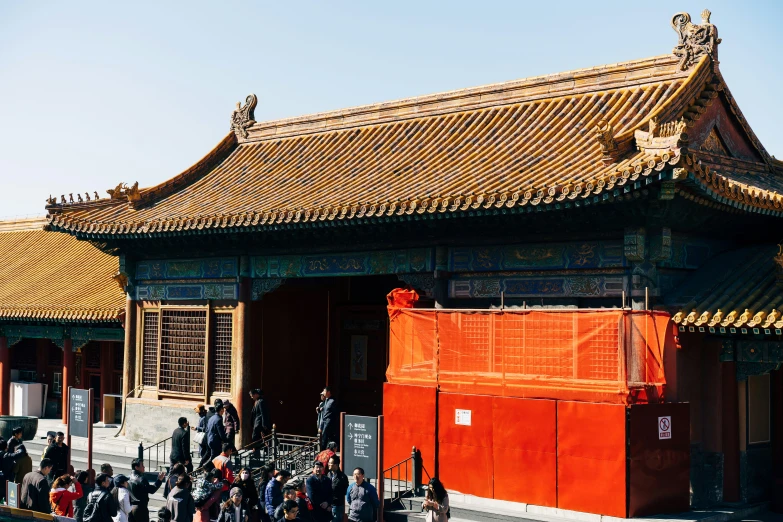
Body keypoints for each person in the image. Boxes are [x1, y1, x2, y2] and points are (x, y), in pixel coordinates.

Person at [328, 456, 348, 522]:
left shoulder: (342, 477)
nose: (328, 464)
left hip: (337, 506)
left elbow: (345, 491)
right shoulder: (329, 474)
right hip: (328, 505)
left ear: (336, 465)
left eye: (330, 463)